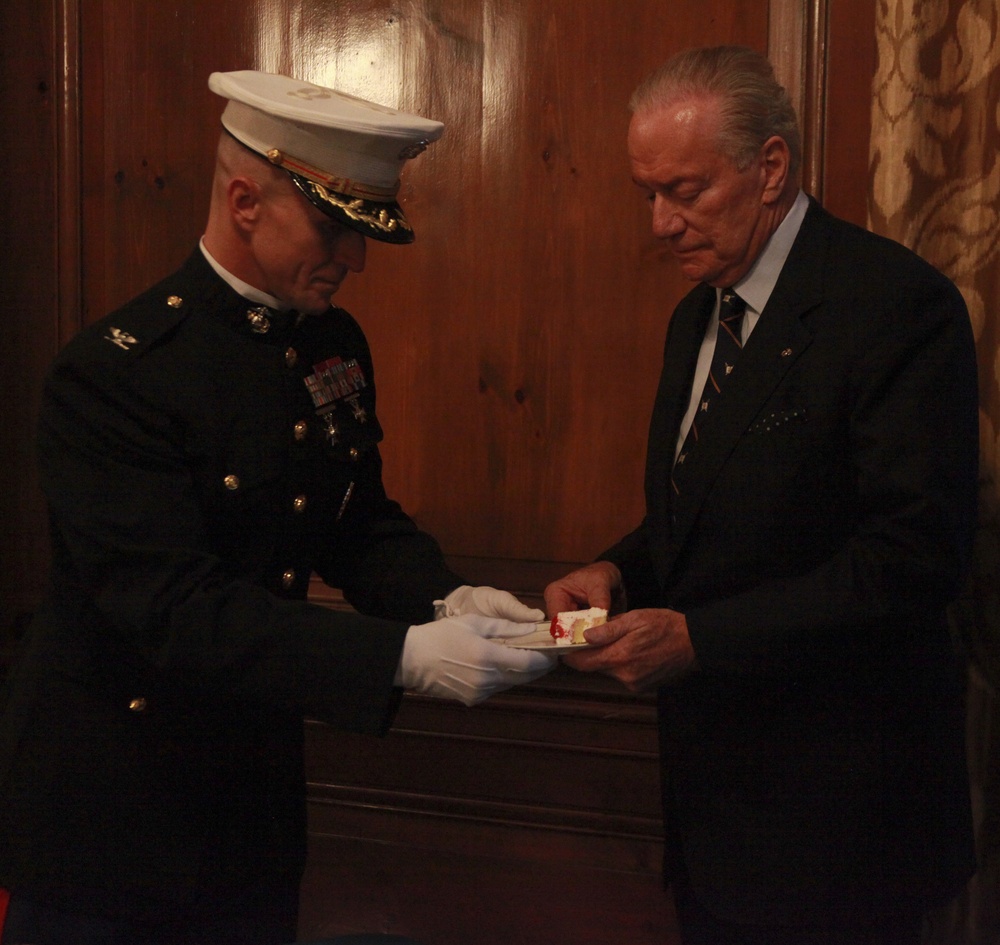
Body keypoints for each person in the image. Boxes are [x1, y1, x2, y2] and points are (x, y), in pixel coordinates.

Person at [0, 71, 555, 945]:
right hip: (110, 822)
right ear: (245, 199)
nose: (357, 258)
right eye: (335, 227)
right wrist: (401, 657)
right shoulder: (115, 375)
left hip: (249, 807)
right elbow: (175, 609)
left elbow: (352, 519)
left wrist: (444, 599)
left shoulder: (327, 342)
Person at [545, 46, 979, 945]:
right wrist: (616, 570)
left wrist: (702, 636)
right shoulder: (698, 309)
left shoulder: (894, 304)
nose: (662, 222)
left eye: (686, 190)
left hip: (842, 819)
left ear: (770, 168)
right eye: (647, 194)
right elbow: (706, 507)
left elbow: (916, 556)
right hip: (715, 811)